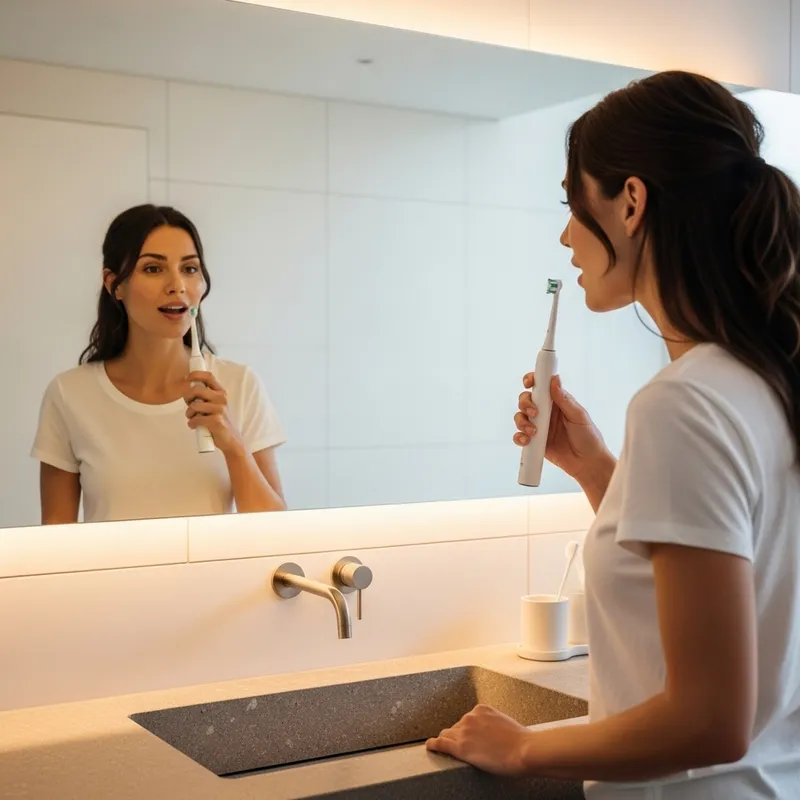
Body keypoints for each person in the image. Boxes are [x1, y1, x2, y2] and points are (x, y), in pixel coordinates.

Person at [426, 71, 800, 798]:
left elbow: (709, 720)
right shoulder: (768, 380)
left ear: (630, 203)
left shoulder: (684, 404)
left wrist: (527, 746)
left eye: (572, 203)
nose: (565, 234)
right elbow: (740, 588)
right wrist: (599, 470)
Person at [31, 204, 287, 524]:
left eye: (190, 268)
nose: (177, 285)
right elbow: (56, 542)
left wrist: (232, 444)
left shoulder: (240, 385)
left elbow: (277, 533)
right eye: (153, 269)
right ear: (115, 285)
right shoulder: (69, 394)